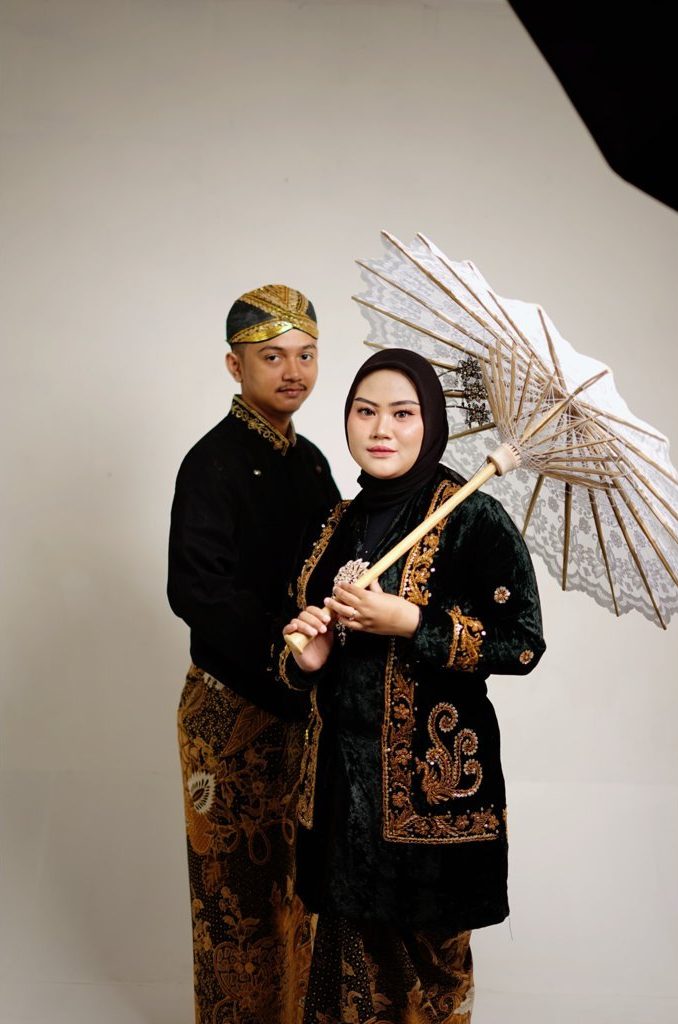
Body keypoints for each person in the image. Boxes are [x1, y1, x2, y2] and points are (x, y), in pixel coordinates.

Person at [276, 348, 546, 1023]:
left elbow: (522, 644)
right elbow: (308, 653)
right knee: (345, 988)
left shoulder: (473, 519)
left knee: (427, 992)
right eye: (365, 411)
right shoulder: (335, 524)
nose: (381, 430)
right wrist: (307, 661)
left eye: (403, 413)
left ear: (432, 424)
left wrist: (413, 623)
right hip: (339, 797)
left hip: (431, 804)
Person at [168, 284, 340, 1024]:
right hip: (230, 709)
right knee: (233, 902)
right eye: (272, 357)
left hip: (302, 706)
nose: (293, 372)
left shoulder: (313, 464)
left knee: (299, 893)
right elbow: (195, 589)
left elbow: (330, 569)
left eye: (306, 355)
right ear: (234, 366)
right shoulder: (211, 463)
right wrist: (280, 642)